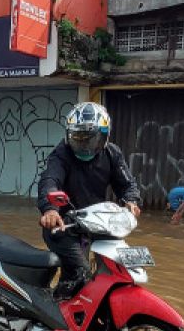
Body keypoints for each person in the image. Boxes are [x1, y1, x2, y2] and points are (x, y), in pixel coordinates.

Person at [37, 102, 141, 300]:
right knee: (80, 273)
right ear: (69, 136)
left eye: (90, 139)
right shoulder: (61, 154)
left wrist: (131, 201)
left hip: (99, 224)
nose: (84, 145)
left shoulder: (112, 154)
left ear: (104, 136)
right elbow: (50, 181)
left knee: (121, 269)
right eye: (78, 139)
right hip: (63, 226)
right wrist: (50, 210)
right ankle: (55, 317)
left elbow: (128, 184)